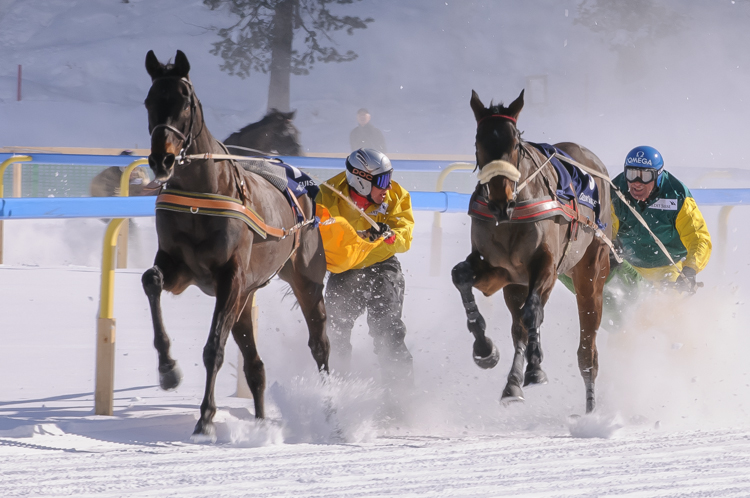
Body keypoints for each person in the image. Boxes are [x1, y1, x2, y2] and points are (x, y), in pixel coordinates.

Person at [316, 148, 414, 384]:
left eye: (389, 178)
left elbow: (405, 235)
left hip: (384, 266)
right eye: (382, 181)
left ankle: (401, 395)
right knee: (334, 330)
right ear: (361, 181)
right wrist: (360, 236)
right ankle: (335, 389)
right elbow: (322, 236)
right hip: (347, 269)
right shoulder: (328, 196)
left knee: (388, 329)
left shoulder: (396, 195)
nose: (388, 187)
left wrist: (390, 235)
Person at [610, 145, 712, 291]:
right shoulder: (614, 192)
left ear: (657, 176)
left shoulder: (677, 195)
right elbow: (606, 230)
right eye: (631, 174)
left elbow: (698, 237)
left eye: (645, 176)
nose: (637, 182)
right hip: (628, 268)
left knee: (663, 310)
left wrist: (690, 269)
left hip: (670, 268)